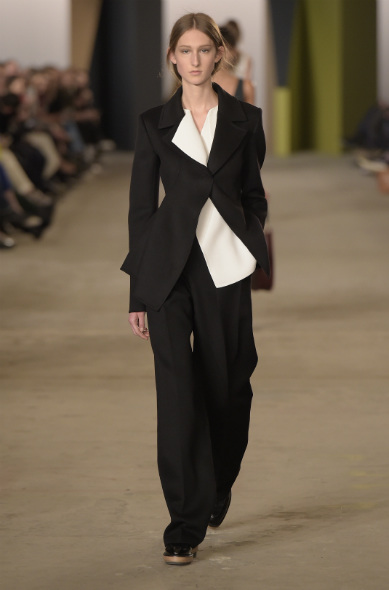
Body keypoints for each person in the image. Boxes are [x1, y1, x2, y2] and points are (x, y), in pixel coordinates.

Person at [120, 12, 270, 566]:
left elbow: (254, 194)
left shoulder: (246, 120)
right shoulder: (153, 124)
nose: (195, 60)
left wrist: (249, 239)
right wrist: (138, 292)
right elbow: (141, 210)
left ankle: (219, 481)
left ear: (219, 54)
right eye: (185, 50)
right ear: (173, 58)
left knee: (228, 389)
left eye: (204, 49)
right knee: (178, 395)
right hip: (167, 271)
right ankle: (183, 523)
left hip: (224, 269)